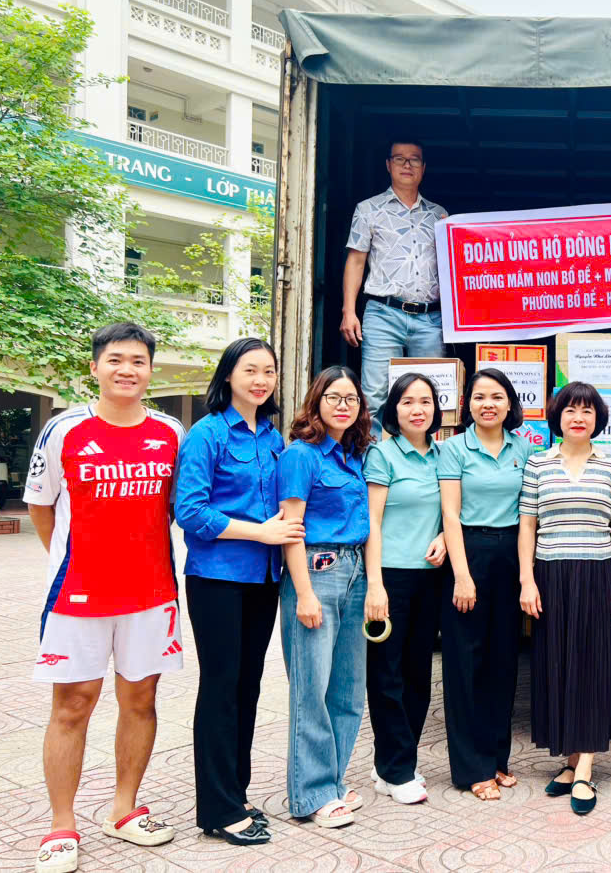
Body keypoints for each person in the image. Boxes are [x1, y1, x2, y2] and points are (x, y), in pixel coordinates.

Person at [24, 322, 184, 873]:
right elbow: (41, 508)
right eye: (115, 359)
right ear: (95, 367)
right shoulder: (63, 430)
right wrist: (73, 560)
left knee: (141, 700)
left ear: (150, 371)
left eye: (138, 361)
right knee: (73, 705)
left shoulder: (171, 432)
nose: (126, 370)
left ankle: (124, 809)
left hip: (152, 594)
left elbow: (175, 507)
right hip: (77, 595)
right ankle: (60, 825)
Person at [175, 338, 303, 845]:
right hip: (217, 579)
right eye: (250, 370)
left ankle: (236, 792)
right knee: (220, 688)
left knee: (247, 687)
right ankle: (218, 809)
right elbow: (190, 511)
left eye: (268, 371)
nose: (261, 380)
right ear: (228, 375)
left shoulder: (272, 437)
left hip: (263, 579)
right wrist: (260, 533)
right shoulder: (207, 434)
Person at [519, 383, 611, 816]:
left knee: (593, 667)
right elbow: (527, 526)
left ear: (598, 418)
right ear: (557, 417)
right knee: (557, 665)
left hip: (598, 574)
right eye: (570, 410)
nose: (578, 417)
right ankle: (570, 761)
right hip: (550, 574)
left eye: (587, 410)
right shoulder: (538, 464)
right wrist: (527, 580)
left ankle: (584, 767)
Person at [276, 366, 373, 827]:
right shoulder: (301, 455)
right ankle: (311, 793)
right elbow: (291, 527)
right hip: (317, 571)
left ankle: (333, 781)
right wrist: (304, 593)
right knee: (311, 690)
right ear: (316, 401)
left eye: (351, 399)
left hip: (355, 572)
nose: (342, 405)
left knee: (348, 689)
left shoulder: (355, 456)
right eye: (333, 397)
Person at [436, 367, 532, 801]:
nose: (487, 404)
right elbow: (450, 514)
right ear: (467, 404)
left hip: (512, 554)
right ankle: (471, 768)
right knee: (465, 664)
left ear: (510, 403)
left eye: (496, 396)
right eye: (478, 397)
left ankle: (497, 759)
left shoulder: (525, 449)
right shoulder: (454, 449)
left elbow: (529, 513)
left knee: (503, 661)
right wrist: (461, 574)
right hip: (469, 552)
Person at [363, 373, 448, 806]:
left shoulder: (443, 455)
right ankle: (395, 769)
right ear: (393, 409)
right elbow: (372, 522)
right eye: (408, 401)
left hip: (430, 577)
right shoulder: (383, 454)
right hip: (390, 577)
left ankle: (397, 764)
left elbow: (453, 511)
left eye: (426, 401)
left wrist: (445, 537)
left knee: (418, 674)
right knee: (386, 675)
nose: (418, 409)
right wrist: (375, 584)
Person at [340, 138, 448, 436]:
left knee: (431, 395)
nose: (407, 165)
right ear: (388, 165)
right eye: (399, 158)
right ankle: (375, 459)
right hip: (383, 314)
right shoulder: (368, 209)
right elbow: (356, 261)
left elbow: (452, 267)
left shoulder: (439, 215)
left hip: (429, 318)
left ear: (423, 168)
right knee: (375, 396)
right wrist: (349, 311)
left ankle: (426, 457)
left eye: (414, 159)